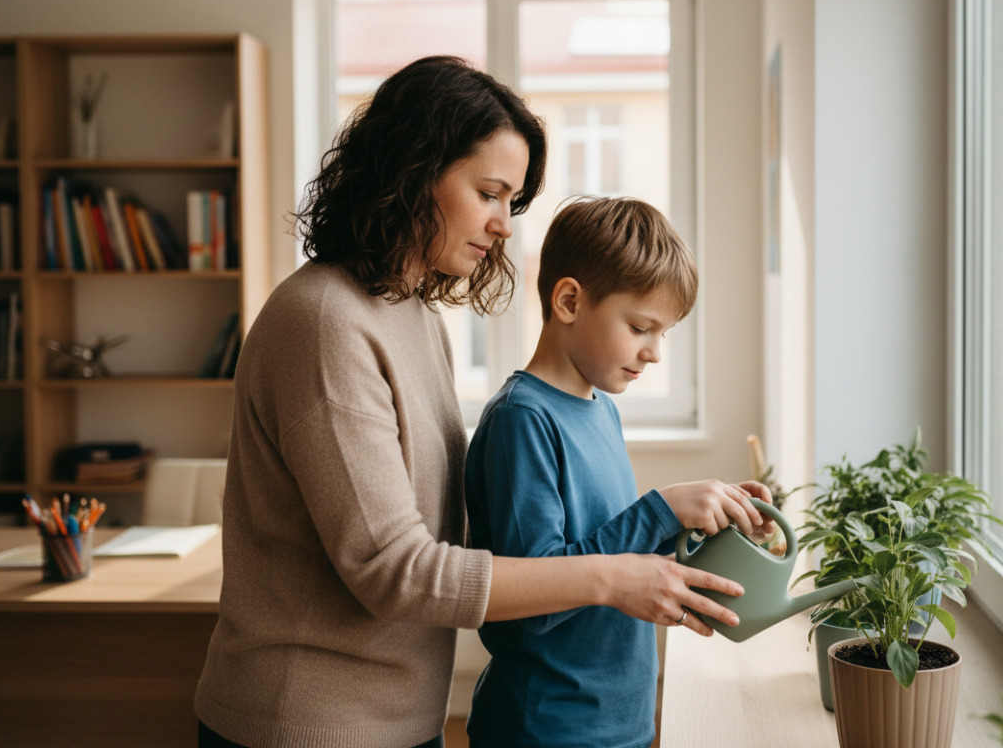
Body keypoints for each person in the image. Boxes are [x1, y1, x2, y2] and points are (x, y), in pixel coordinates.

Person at [193, 56, 753, 748]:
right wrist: (615, 575)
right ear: (413, 168)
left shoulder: (415, 318)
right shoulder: (324, 323)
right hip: (309, 723)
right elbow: (393, 570)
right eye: (489, 192)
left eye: (512, 203)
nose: (505, 225)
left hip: (397, 717)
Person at [463, 196, 774, 748]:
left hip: (618, 722)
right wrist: (660, 508)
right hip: (548, 729)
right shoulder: (523, 421)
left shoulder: (600, 407)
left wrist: (701, 527)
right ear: (568, 301)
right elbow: (532, 600)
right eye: (640, 327)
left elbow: (611, 556)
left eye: (664, 333)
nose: (654, 352)